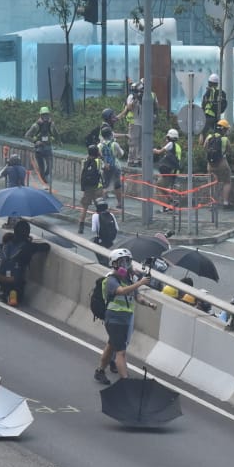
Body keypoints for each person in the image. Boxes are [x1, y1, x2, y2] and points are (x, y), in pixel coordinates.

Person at [94, 248, 153, 385]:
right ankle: (125, 382)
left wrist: (149, 304)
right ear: (114, 264)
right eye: (122, 262)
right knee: (121, 352)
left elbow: (136, 296)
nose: (125, 265)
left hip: (124, 319)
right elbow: (121, 291)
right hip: (114, 319)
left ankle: (100, 371)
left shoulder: (129, 279)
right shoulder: (111, 280)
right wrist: (140, 282)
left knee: (111, 346)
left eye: (127, 261)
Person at [24, 106, 58, 190]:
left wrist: (56, 140)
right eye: (44, 115)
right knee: (41, 167)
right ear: (41, 116)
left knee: (50, 165)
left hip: (48, 147)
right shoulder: (36, 126)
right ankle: (44, 183)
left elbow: (56, 133)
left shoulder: (51, 124)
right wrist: (35, 141)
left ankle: (46, 176)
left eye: (47, 115)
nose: (46, 117)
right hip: (39, 149)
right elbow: (27, 136)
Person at [204, 118, 232, 207]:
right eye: (227, 129)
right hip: (222, 163)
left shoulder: (209, 137)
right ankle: (225, 202)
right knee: (227, 181)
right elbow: (229, 151)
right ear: (224, 129)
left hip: (210, 165)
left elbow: (204, 147)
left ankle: (212, 203)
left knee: (212, 183)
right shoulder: (225, 139)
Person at [98, 124, 125, 210]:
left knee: (105, 185)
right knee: (117, 185)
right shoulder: (114, 144)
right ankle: (119, 203)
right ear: (110, 134)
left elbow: (99, 156)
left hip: (105, 167)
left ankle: (102, 204)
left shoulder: (99, 145)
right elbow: (121, 154)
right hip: (115, 166)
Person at [76, 145, 103, 232]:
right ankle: (101, 226)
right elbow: (103, 169)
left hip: (87, 188)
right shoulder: (98, 161)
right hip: (97, 187)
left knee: (84, 207)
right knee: (100, 207)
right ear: (97, 152)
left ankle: (81, 226)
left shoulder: (84, 161)